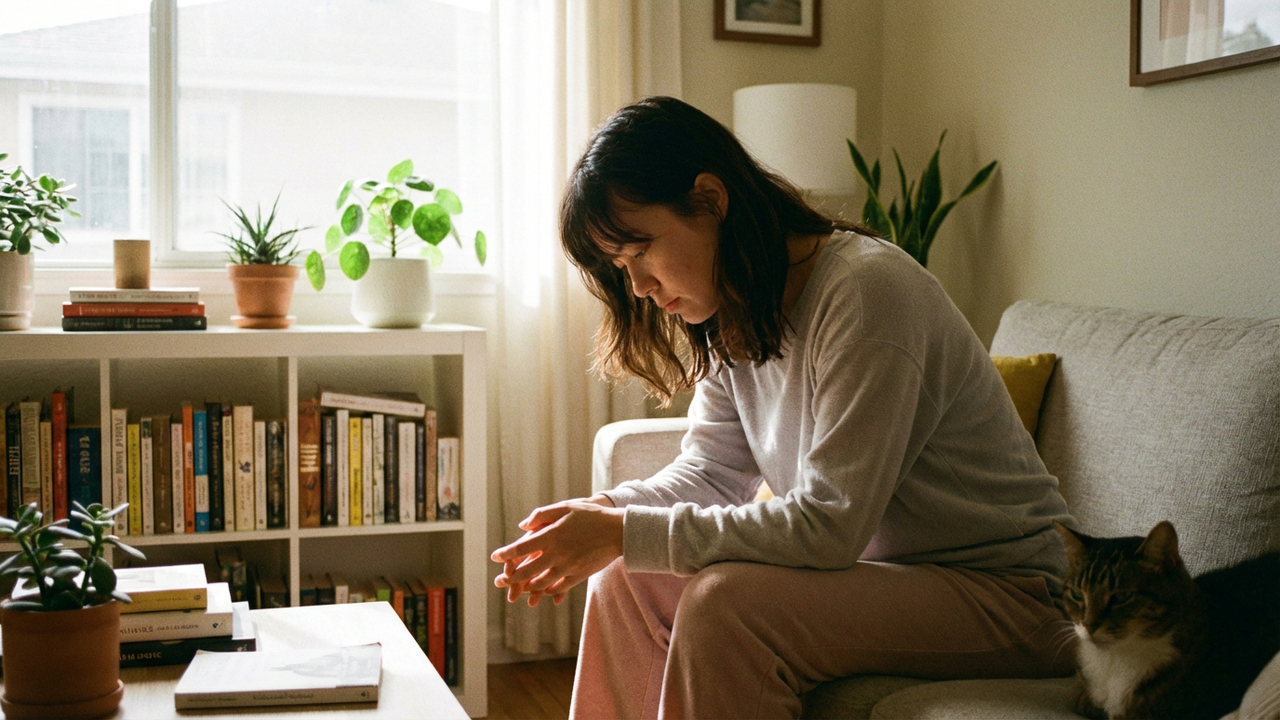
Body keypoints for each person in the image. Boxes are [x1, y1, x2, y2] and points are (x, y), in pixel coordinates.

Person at [491, 96, 1075, 719]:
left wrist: (625, 532)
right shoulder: (738, 308)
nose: (637, 287)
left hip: (1010, 595)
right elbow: (713, 472)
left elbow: (829, 525)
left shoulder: (866, 293)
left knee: (725, 606)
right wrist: (607, 512)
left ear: (710, 200)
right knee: (626, 579)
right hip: (892, 578)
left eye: (641, 252)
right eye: (620, 266)